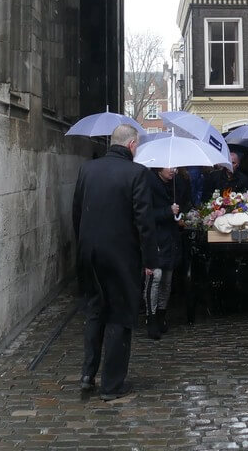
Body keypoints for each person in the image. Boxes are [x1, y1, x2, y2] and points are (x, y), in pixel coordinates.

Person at [72, 124, 157, 401]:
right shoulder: (137, 173)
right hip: (121, 256)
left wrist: (84, 245)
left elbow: (76, 212)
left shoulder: (88, 169)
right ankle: (112, 384)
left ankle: (88, 374)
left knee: (95, 312)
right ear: (132, 145)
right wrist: (150, 259)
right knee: (120, 315)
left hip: (90, 253)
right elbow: (144, 221)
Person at [143, 166, 183, 339]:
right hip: (156, 239)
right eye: (169, 167)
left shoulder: (176, 184)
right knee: (155, 278)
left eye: (175, 167)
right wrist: (168, 211)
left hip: (171, 239)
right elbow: (145, 214)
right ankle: (150, 317)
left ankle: (161, 314)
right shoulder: (149, 183)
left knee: (167, 279)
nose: (173, 170)